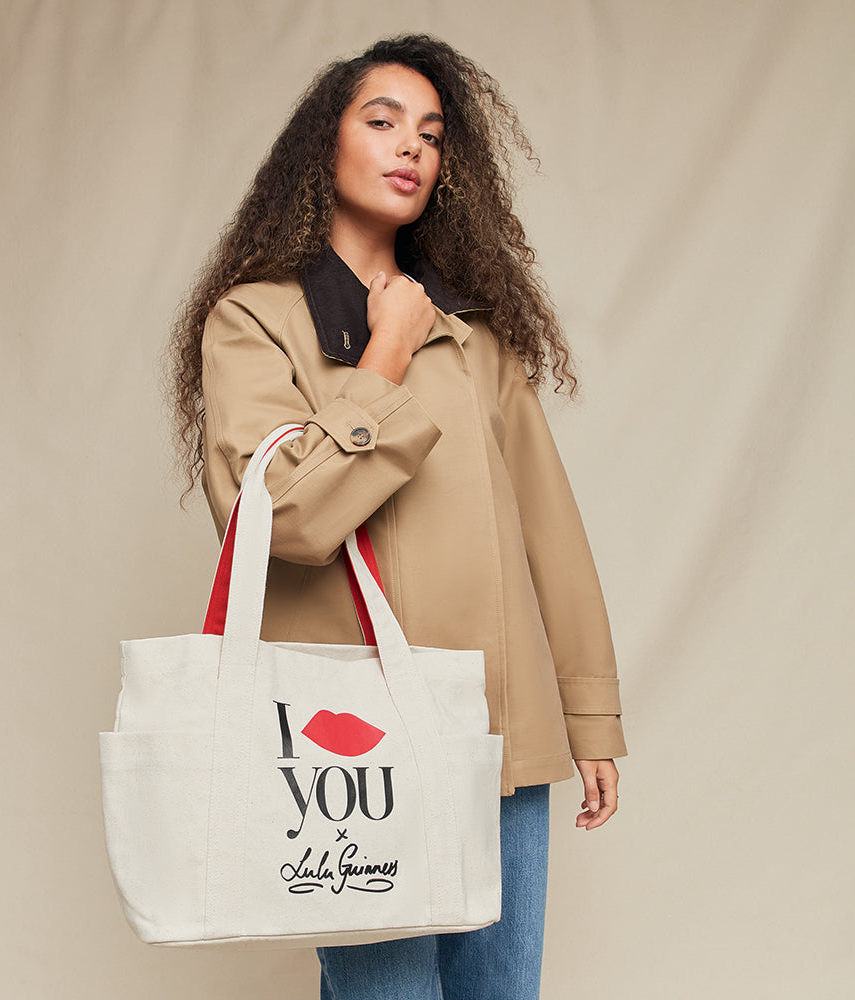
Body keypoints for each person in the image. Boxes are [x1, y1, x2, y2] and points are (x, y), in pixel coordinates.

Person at [169, 33, 626, 1000]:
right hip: (352, 742)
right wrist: (383, 357)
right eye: (381, 122)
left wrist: (590, 718)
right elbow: (286, 519)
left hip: (501, 734)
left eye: (430, 133)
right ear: (321, 150)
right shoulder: (255, 321)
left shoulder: (478, 337)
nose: (410, 146)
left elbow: (554, 534)